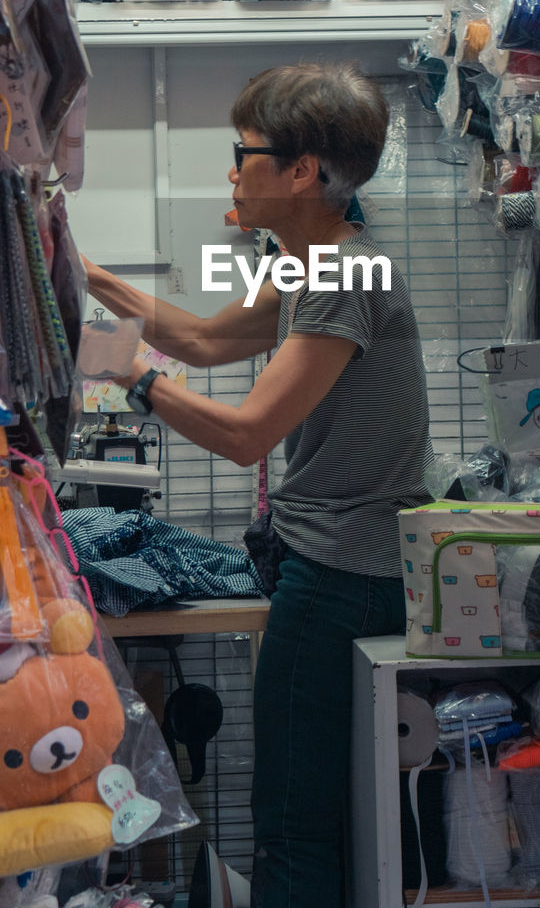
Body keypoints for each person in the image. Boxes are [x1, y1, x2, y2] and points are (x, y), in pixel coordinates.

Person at [83, 62, 433, 908]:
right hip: (336, 567)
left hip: (341, 574)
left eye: (242, 152)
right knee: (302, 803)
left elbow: (246, 437)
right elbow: (203, 340)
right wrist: (80, 275)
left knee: (290, 816)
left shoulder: (345, 276)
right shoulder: (305, 265)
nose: (231, 171)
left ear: (303, 171)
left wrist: (131, 378)